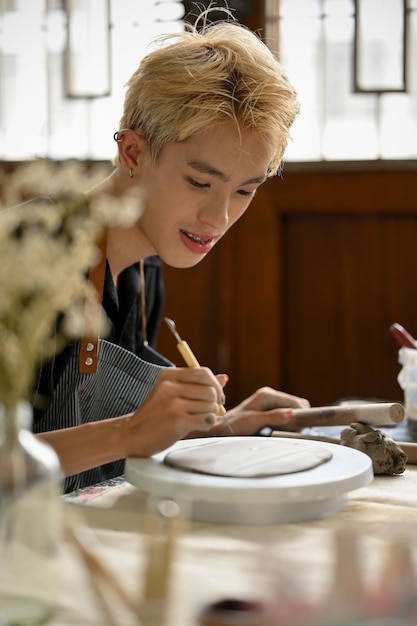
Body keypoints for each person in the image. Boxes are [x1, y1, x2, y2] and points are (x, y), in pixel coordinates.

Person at [33, 13, 309, 492]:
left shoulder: (144, 271)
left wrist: (216, 428)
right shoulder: (31, 252)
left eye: (245, 190)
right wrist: (129, 432)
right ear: (134, 153)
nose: (219, 218)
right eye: (200, 182)